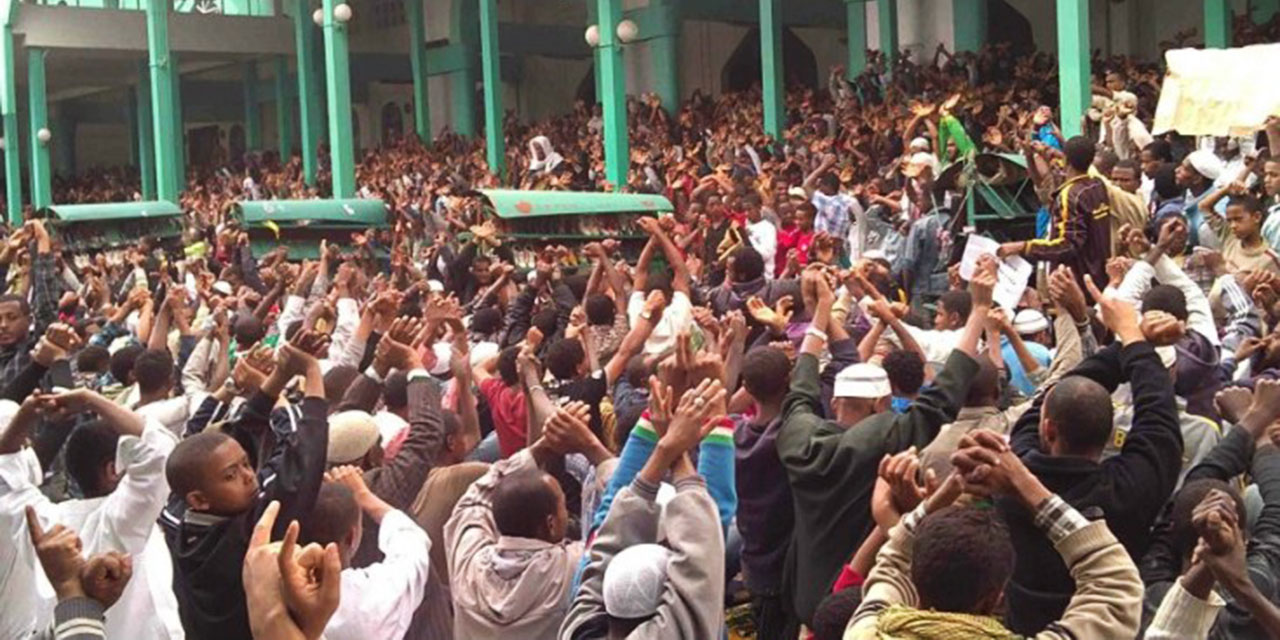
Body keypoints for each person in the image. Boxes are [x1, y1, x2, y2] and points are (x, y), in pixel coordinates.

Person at [777, 259, 990, 626]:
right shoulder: (882, 442)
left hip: (805, 600)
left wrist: (822, 311)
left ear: (836, 403)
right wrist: (980, 310)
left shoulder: (799, 441)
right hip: (861, 606)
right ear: (881, 403)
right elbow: (939, 399)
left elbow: (801, 388)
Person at [997, 275, 1182, 634]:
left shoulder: (1014, 472)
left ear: (1048, 429)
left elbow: (1050, 398)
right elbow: (1159, 419)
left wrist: (1130, 341)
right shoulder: (1129, 492)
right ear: (1111, 433)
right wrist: (1133, 339)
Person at [846, 430, 1145, 639]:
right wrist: (1024, 483)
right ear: (996, 598)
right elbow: (1115, 585)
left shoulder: (866, 632)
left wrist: (948, 491)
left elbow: (893, 561)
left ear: (916, 583)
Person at [160, 332, 330, 640]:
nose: (249, 475)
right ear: (198, 499)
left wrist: (280, 374)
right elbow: (301, 468)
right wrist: (313, 373)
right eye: (231, 476)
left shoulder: (180, 519)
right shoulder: (241, 537)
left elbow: (241, 434)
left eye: (246, 465)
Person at [304, 465, 430, 640]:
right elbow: (412, 543)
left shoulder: (275, 596)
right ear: (351, 537)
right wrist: (364, 496)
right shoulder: (374, 596)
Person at [1000, 136, 1113, 297]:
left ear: (1065, 159)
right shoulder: (1097, 185)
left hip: (1077, 284)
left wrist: (1022, 247)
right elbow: (1047, 181)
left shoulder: (1070, 195)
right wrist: (1033, 156)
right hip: (1098, 278)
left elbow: (1068, 244)